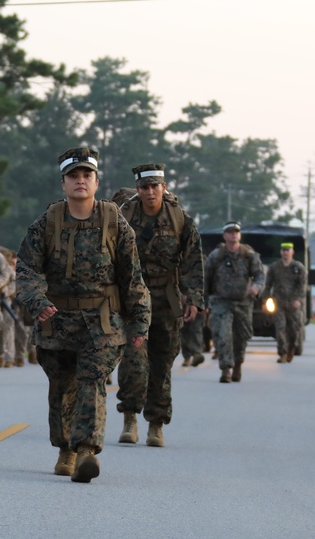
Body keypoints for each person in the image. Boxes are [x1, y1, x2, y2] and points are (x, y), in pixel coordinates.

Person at [16, 147, 150, 483]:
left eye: (86, 175)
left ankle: (87, 451)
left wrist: (139, 320)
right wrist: (36, 300)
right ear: (63, 183)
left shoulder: (113, 221)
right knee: (62, 387)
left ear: (96, 181)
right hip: (57, 320)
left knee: (92, 383)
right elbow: (26, 269)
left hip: (102, 322)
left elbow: (131, 276)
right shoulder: (47, 222)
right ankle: (66, 449)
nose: (80, 181)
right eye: (73, 176)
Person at [114, 163, 203, 447]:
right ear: (138, 190)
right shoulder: (124, 217)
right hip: (132, 300)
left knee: (162, 365)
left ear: (163, 188)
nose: (150, 192)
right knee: (133, 361)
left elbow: (192, 263)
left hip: (167, 299)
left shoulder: (180, 220)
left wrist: (194, 299)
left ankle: (156, 424)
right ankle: (129, 417)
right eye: (144, 187)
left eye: (155, 186)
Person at [204, 221, 264, 383]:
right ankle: (225, 369)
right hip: (221, 301)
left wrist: (257, 287)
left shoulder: (249, 255)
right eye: (230, 232)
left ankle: (237, 365)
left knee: (241, 337)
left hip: (243, 302)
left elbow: (259, 275)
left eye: (236, 231)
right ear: (225, 236)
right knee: (222, 335)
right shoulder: (216, 256)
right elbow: (206, 279)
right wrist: (203, 303)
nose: (234, 234)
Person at [262, 242, 307, 364]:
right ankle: (282, 353)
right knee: (280, 328)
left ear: (292, 252)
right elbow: (268, 285)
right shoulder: (274, 267)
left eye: (288, 250)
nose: (285, 252)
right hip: (279, 302)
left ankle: (291, 348)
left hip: (293, 304)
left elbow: (302, 286)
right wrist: (266, 300)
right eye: (283, 250)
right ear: (281, 252)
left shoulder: (298, 267)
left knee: (293, 330)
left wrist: (298, 300)